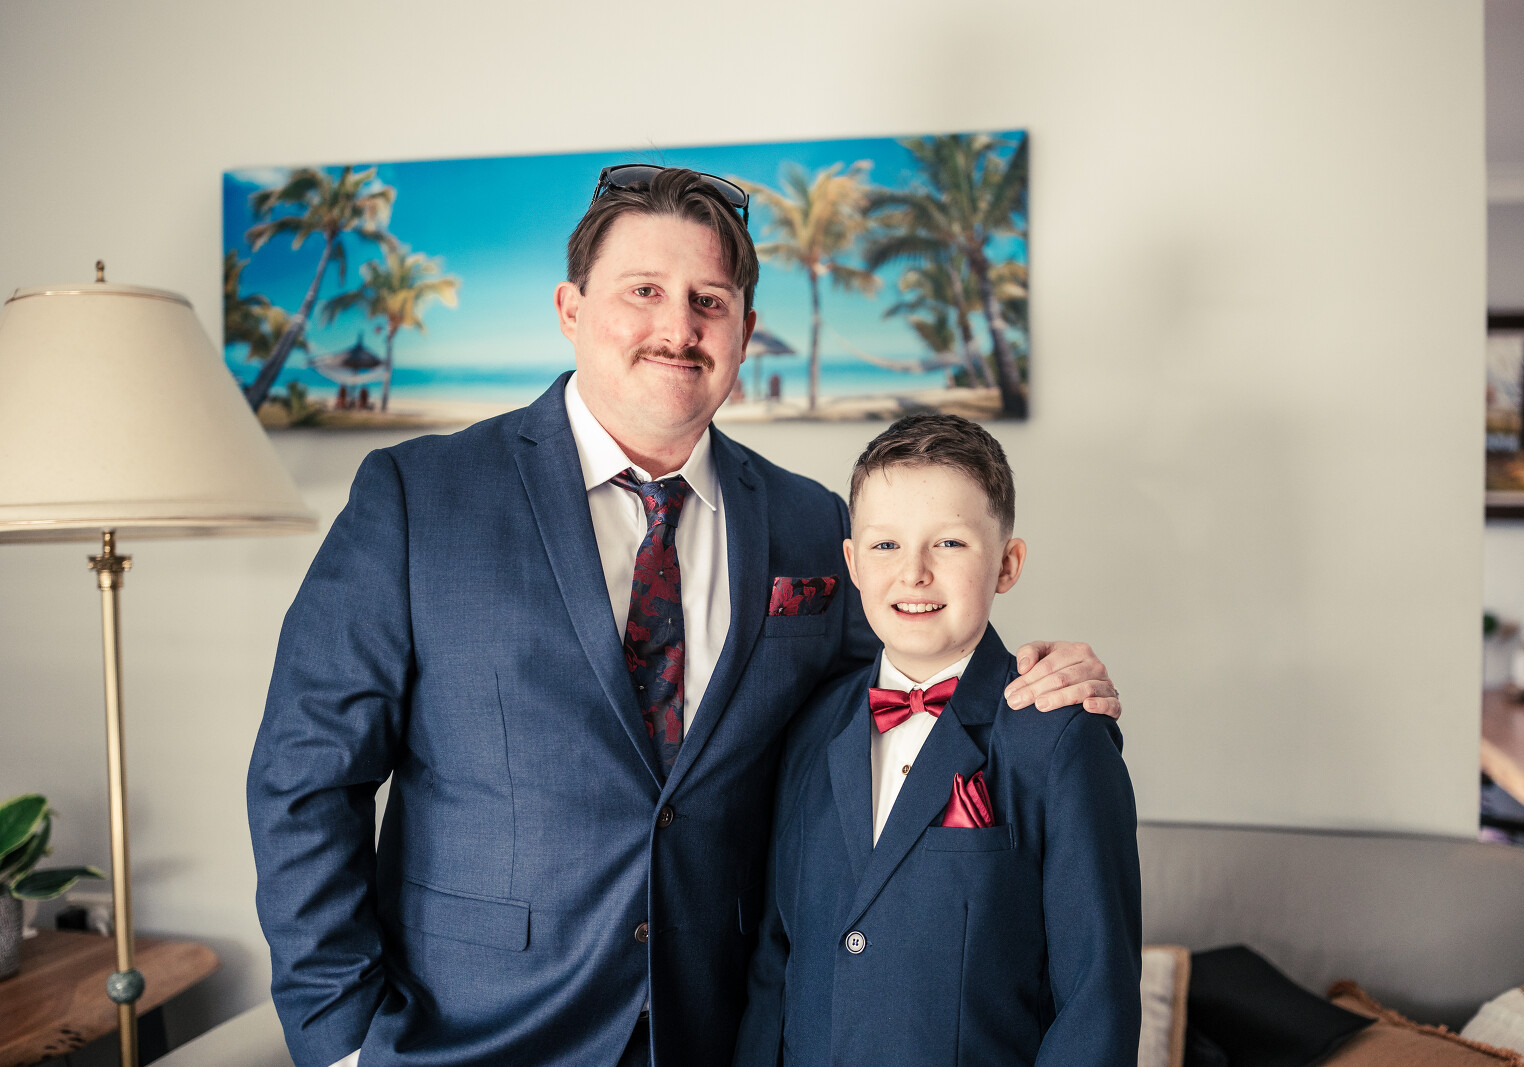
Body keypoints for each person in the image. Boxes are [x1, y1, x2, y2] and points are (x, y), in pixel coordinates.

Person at [247, 166, 1123, 1067]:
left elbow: (911, 688)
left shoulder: (811, 523)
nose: (678, 327)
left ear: (744, 332)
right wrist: (339, 1038)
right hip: (468, 1036)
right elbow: (303, 778)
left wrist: (1044, 684)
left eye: (710, 300)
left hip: (714, 1031)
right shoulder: (418, 496)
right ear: (571, 308)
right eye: (644, 291)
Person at [733, 414, 1141, 1067]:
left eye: (949, 543)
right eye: (886, 545)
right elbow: (776, 956)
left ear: (1007, 563)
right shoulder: (809, 727)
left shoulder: (1060, 735)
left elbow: (1096, 1002)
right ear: (852, 563)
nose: (914, 572)